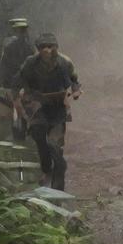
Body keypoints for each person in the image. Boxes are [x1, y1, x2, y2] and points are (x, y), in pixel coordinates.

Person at [18, 32, 81, 190]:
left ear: (56, 48)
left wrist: (76, 91)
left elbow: (74, 81)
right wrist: (24, 94)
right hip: (38, 106)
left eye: (50, 46)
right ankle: (46, 170)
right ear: (38, 49)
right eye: (42, 47)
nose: (46, 50)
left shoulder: (65, 62)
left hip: (58, 107)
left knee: (55, 145)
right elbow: (22, 79)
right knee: (39, 139)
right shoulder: (30, 63)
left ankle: (58, 183)